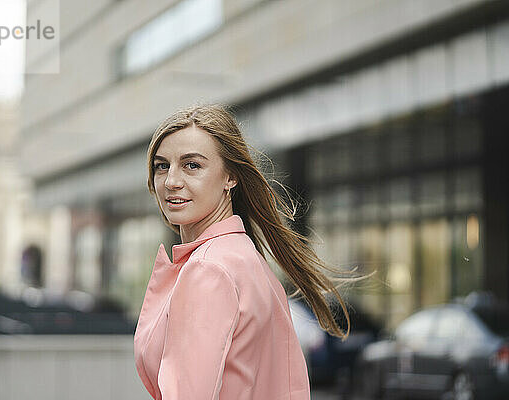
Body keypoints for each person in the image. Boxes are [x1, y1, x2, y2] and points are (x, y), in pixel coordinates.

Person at [134, 103, 359, 400]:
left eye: (192, 165)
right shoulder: (247, 260)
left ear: (231, 177)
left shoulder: (208, 270)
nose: (172, 181)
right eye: (162, 165)